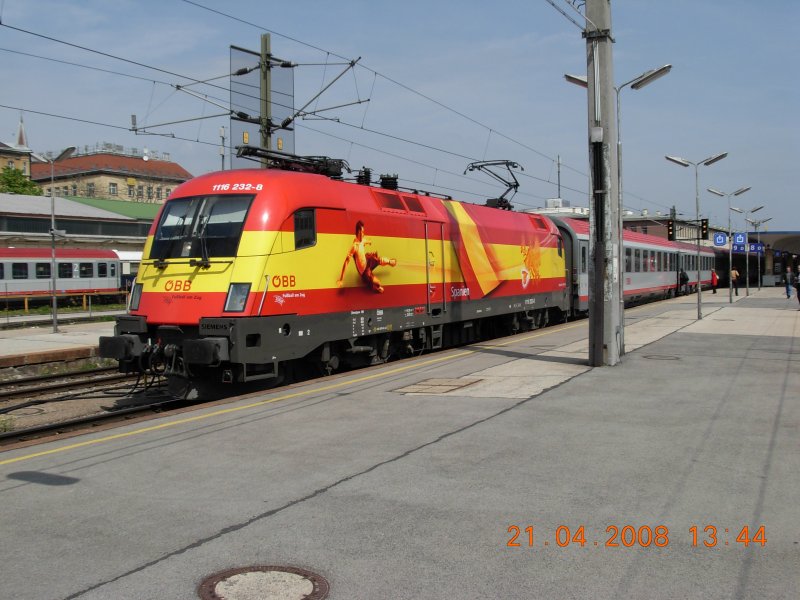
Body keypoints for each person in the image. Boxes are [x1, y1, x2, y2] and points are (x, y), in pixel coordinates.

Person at [337, 220, 397, 293]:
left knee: (379, 259)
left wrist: (369, 242)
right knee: (378, 283)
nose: (363, 234)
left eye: (363, 232)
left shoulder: (362, 240)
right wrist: (341, 279)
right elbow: (346, 262)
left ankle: (389, 262)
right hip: (365, 271)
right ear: (358, 232)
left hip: (367, 261)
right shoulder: (354, 246)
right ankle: (377, 288)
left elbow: (365, 241)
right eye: (362, 232)